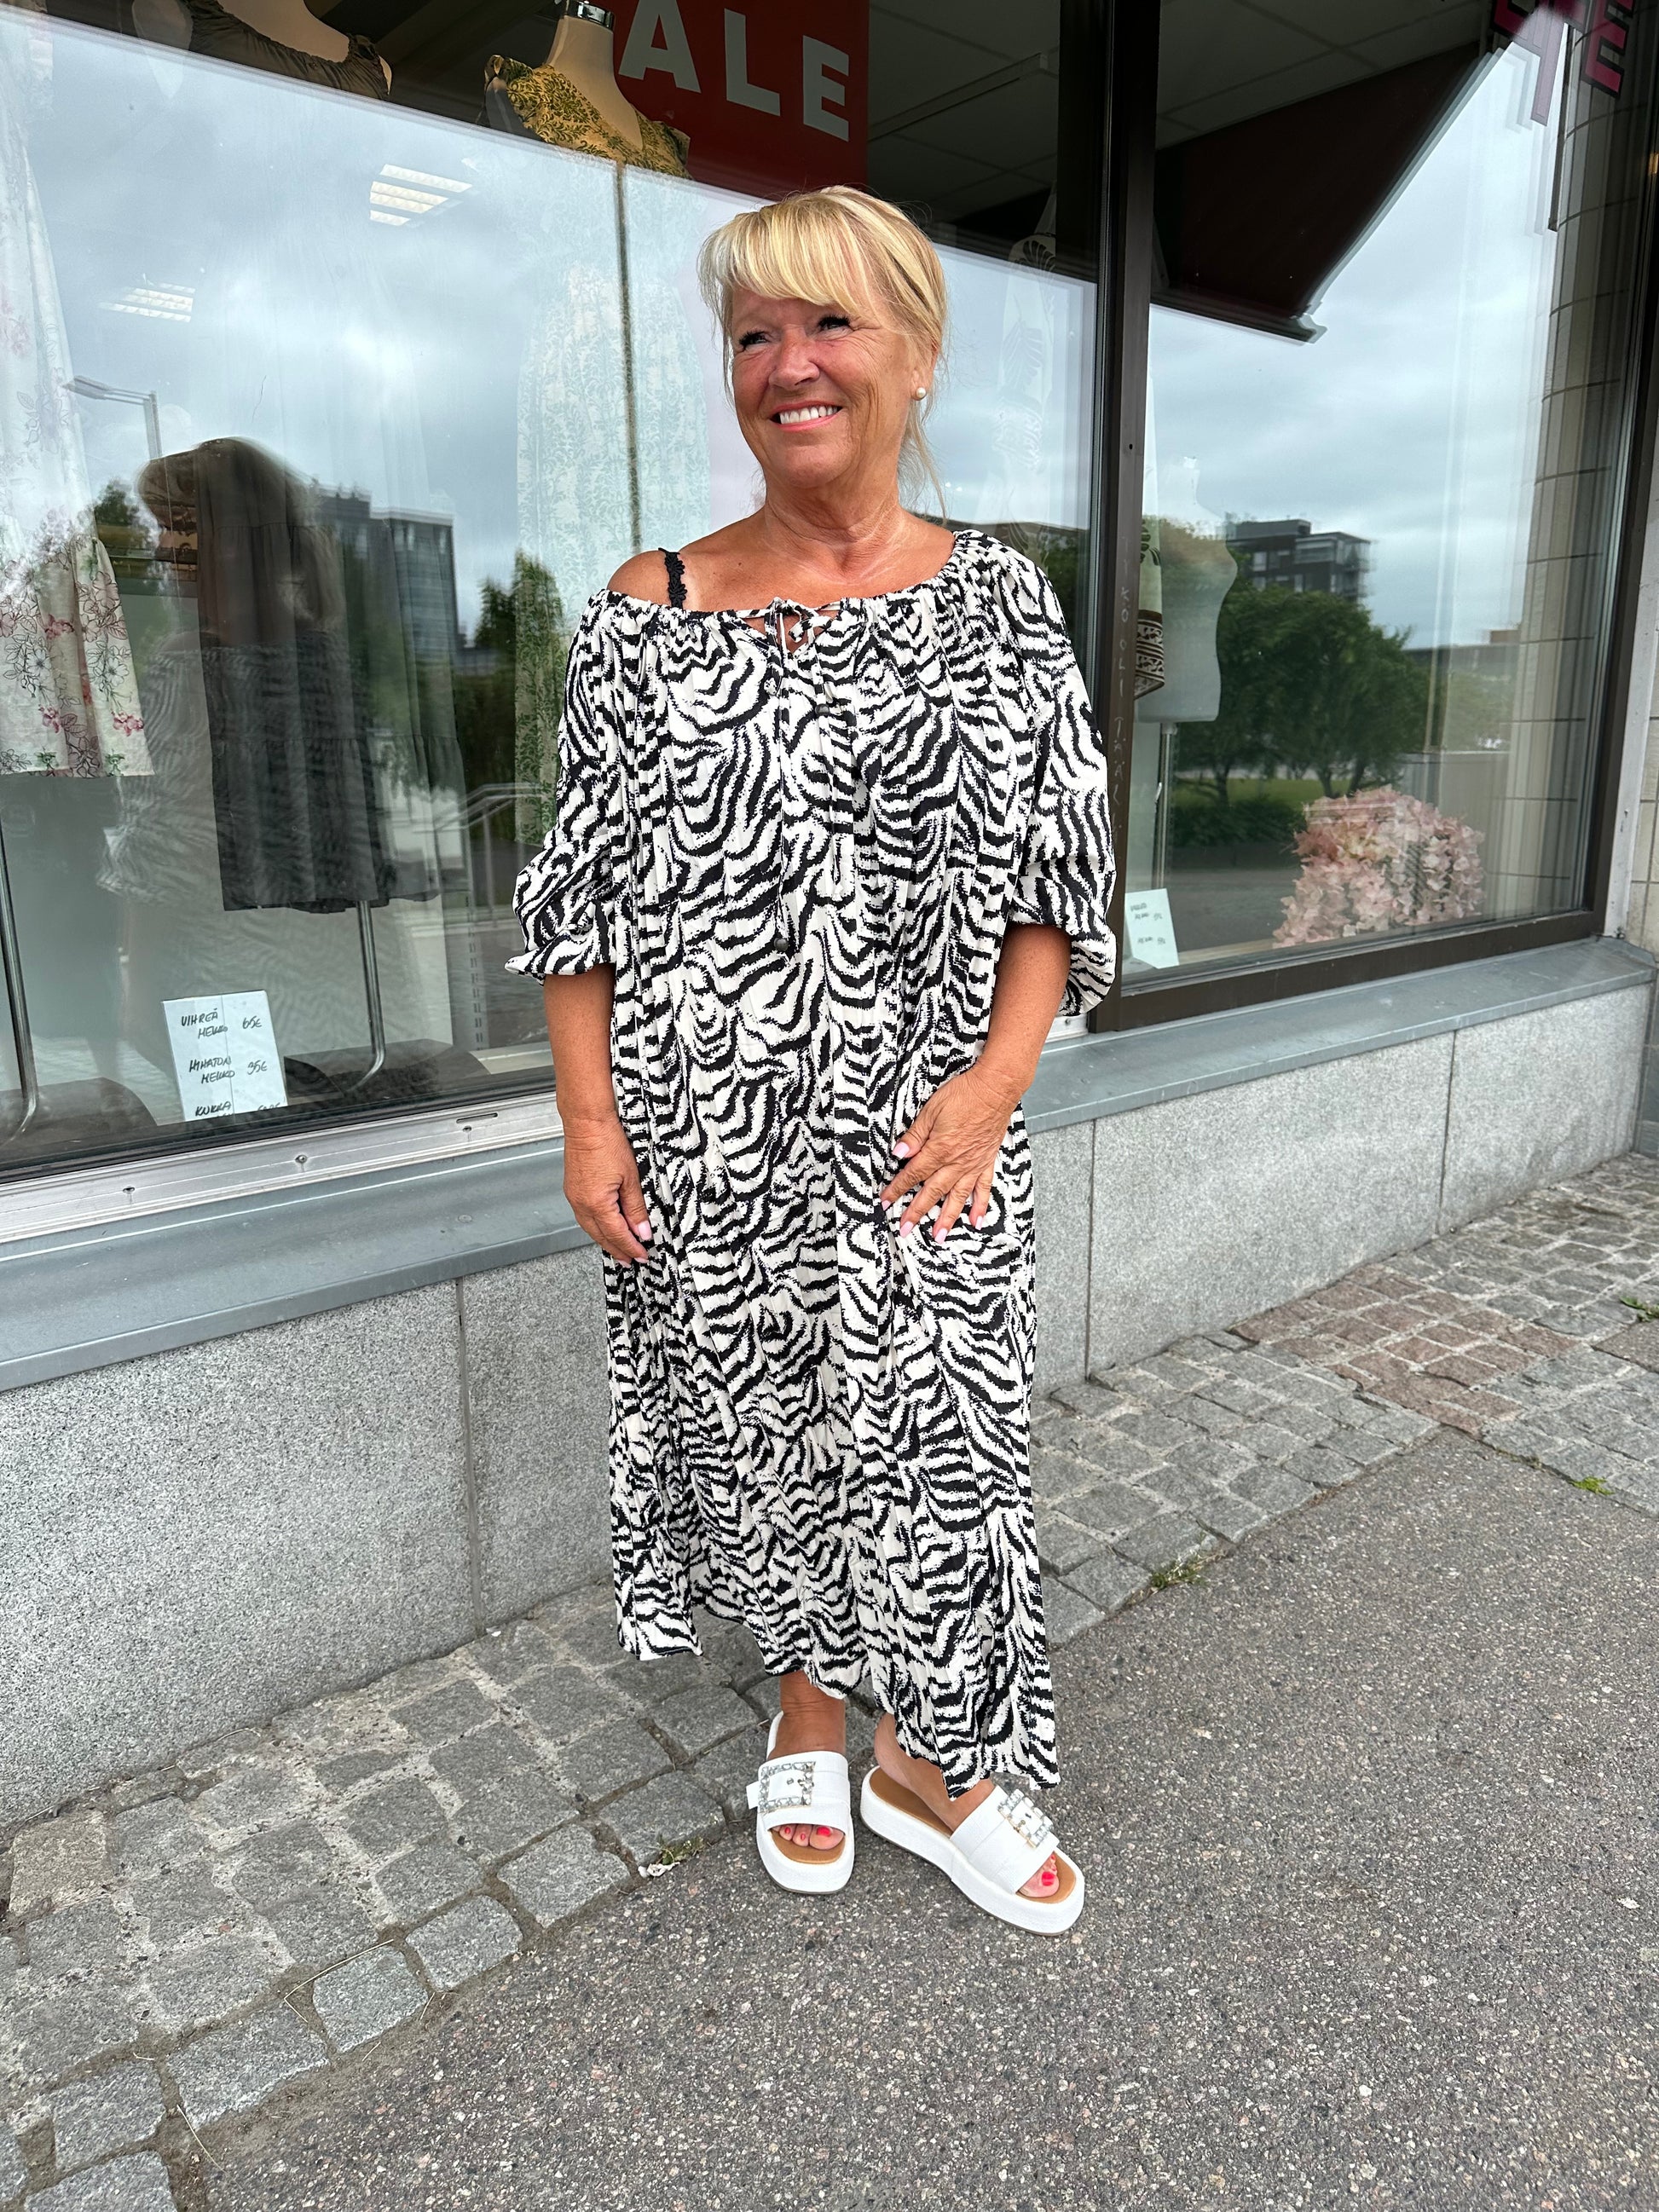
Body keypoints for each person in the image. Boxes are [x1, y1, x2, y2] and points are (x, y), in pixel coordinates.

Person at [510, 184, 1116, 1934]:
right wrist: (590, 1122)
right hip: (711, 1127)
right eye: (754, 335)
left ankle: (931, 1762)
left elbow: (1057, 876)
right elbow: (580, 899)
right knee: (769, 1431)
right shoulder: (650, 605)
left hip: (931, 1126)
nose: (790, 364)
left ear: (916, 356)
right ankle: (804, 1708)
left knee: (941, 1441)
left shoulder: (1001, 602)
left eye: (831, 323)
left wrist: (995, 1085)